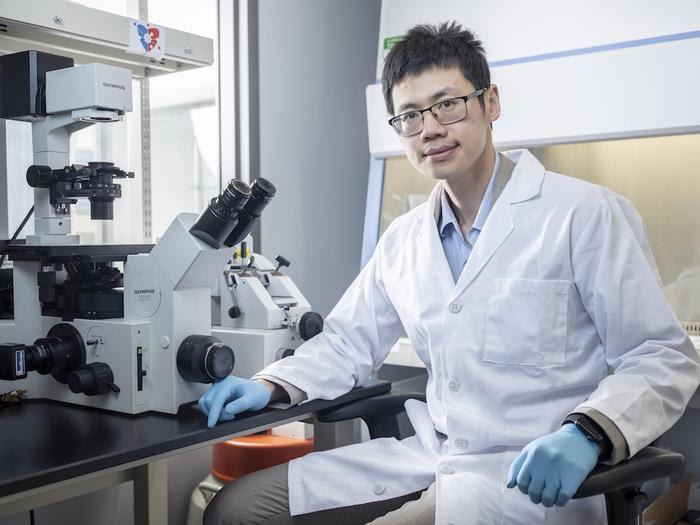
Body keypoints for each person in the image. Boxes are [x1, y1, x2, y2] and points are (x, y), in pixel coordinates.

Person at [200, 21, 700, 525]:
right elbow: (347, 342)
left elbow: (661, 357)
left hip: (528, 477)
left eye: (447, 105)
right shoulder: (405, 238)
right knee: (235, 510)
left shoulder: (584, 214)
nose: (430, 129)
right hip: (430, 454)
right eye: (410, 116)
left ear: (491, 103)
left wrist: (587, 433)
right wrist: (271, 384)